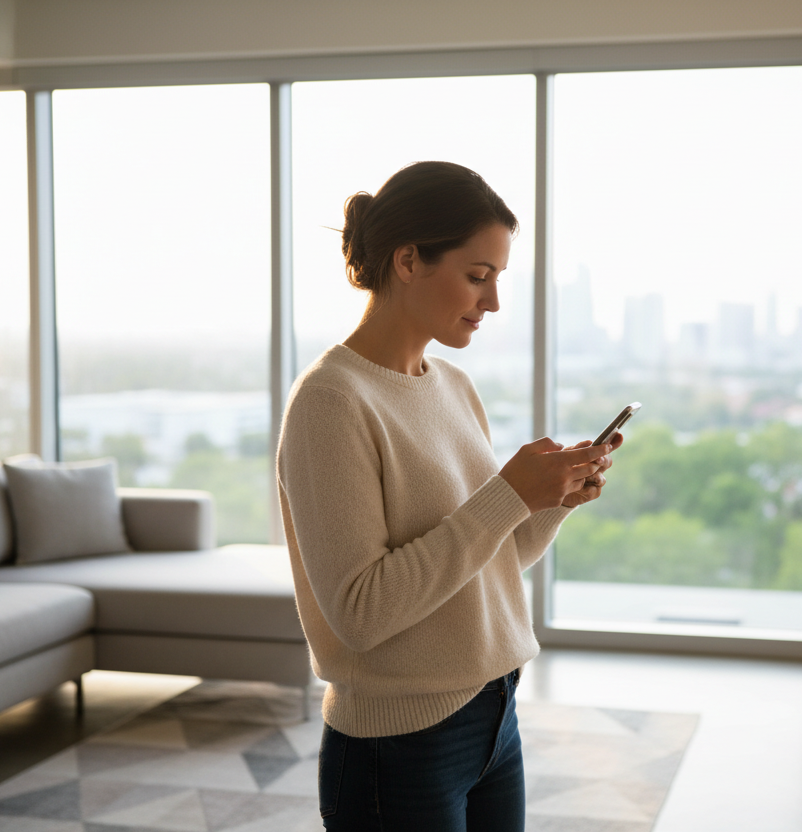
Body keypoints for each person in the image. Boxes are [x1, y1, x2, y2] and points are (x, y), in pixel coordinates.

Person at [275, 160, 621, 832]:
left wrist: (548, 501)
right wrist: (505, 495)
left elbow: (482, 565)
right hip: (396, 745)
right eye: (478, 275)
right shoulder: (331, 402)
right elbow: (361, 612)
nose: (491, 302)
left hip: (494, 716)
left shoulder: (453, 386)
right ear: (408, 260)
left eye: (497, 279)